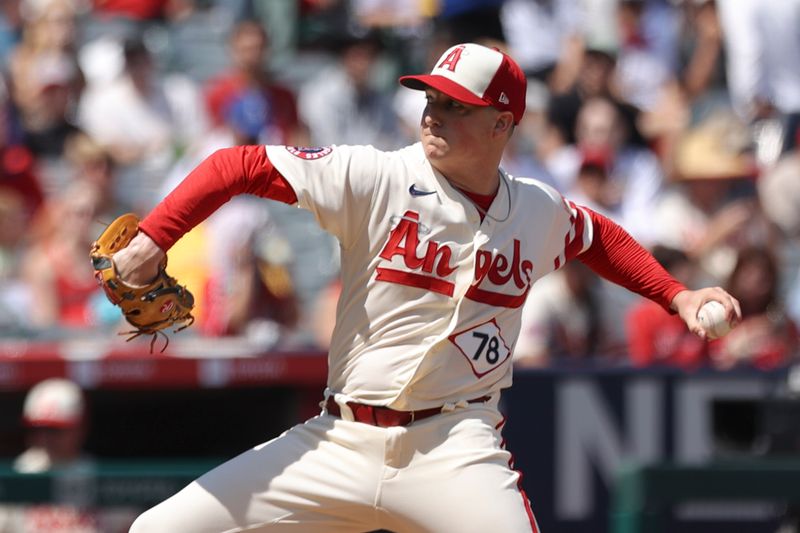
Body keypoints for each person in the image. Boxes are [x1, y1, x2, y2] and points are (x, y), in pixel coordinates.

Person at [114, 43, 739, 532]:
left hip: (454, 447)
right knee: (157, 529)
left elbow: (597, 235)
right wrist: (153, 237)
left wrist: (678, 296)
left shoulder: (535, 209)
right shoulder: (377, 175)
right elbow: (237, 165)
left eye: (455, 105)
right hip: (338, 439)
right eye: (430, 99)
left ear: (502, 124)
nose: (433, 114)